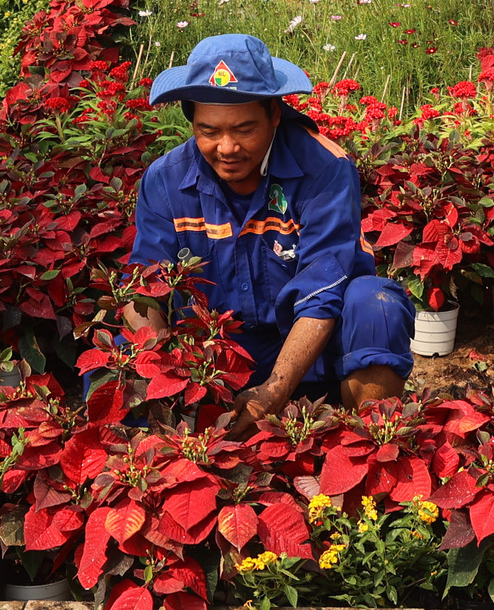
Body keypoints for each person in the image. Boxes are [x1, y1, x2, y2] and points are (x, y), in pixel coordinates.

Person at [127, 32, 412, 428]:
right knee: (127, 338)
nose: (227, 148)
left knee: (375, 302)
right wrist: (163, 373)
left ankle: (367, 442)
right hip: (217, 357)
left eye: (244, 129)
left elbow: (322, 293)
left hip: (312, 350)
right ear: (191, 120)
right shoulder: (165, 181)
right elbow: (145, 286)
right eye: (209, 131)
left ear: (275, 114)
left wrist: (274, 390)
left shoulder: (324, 168)